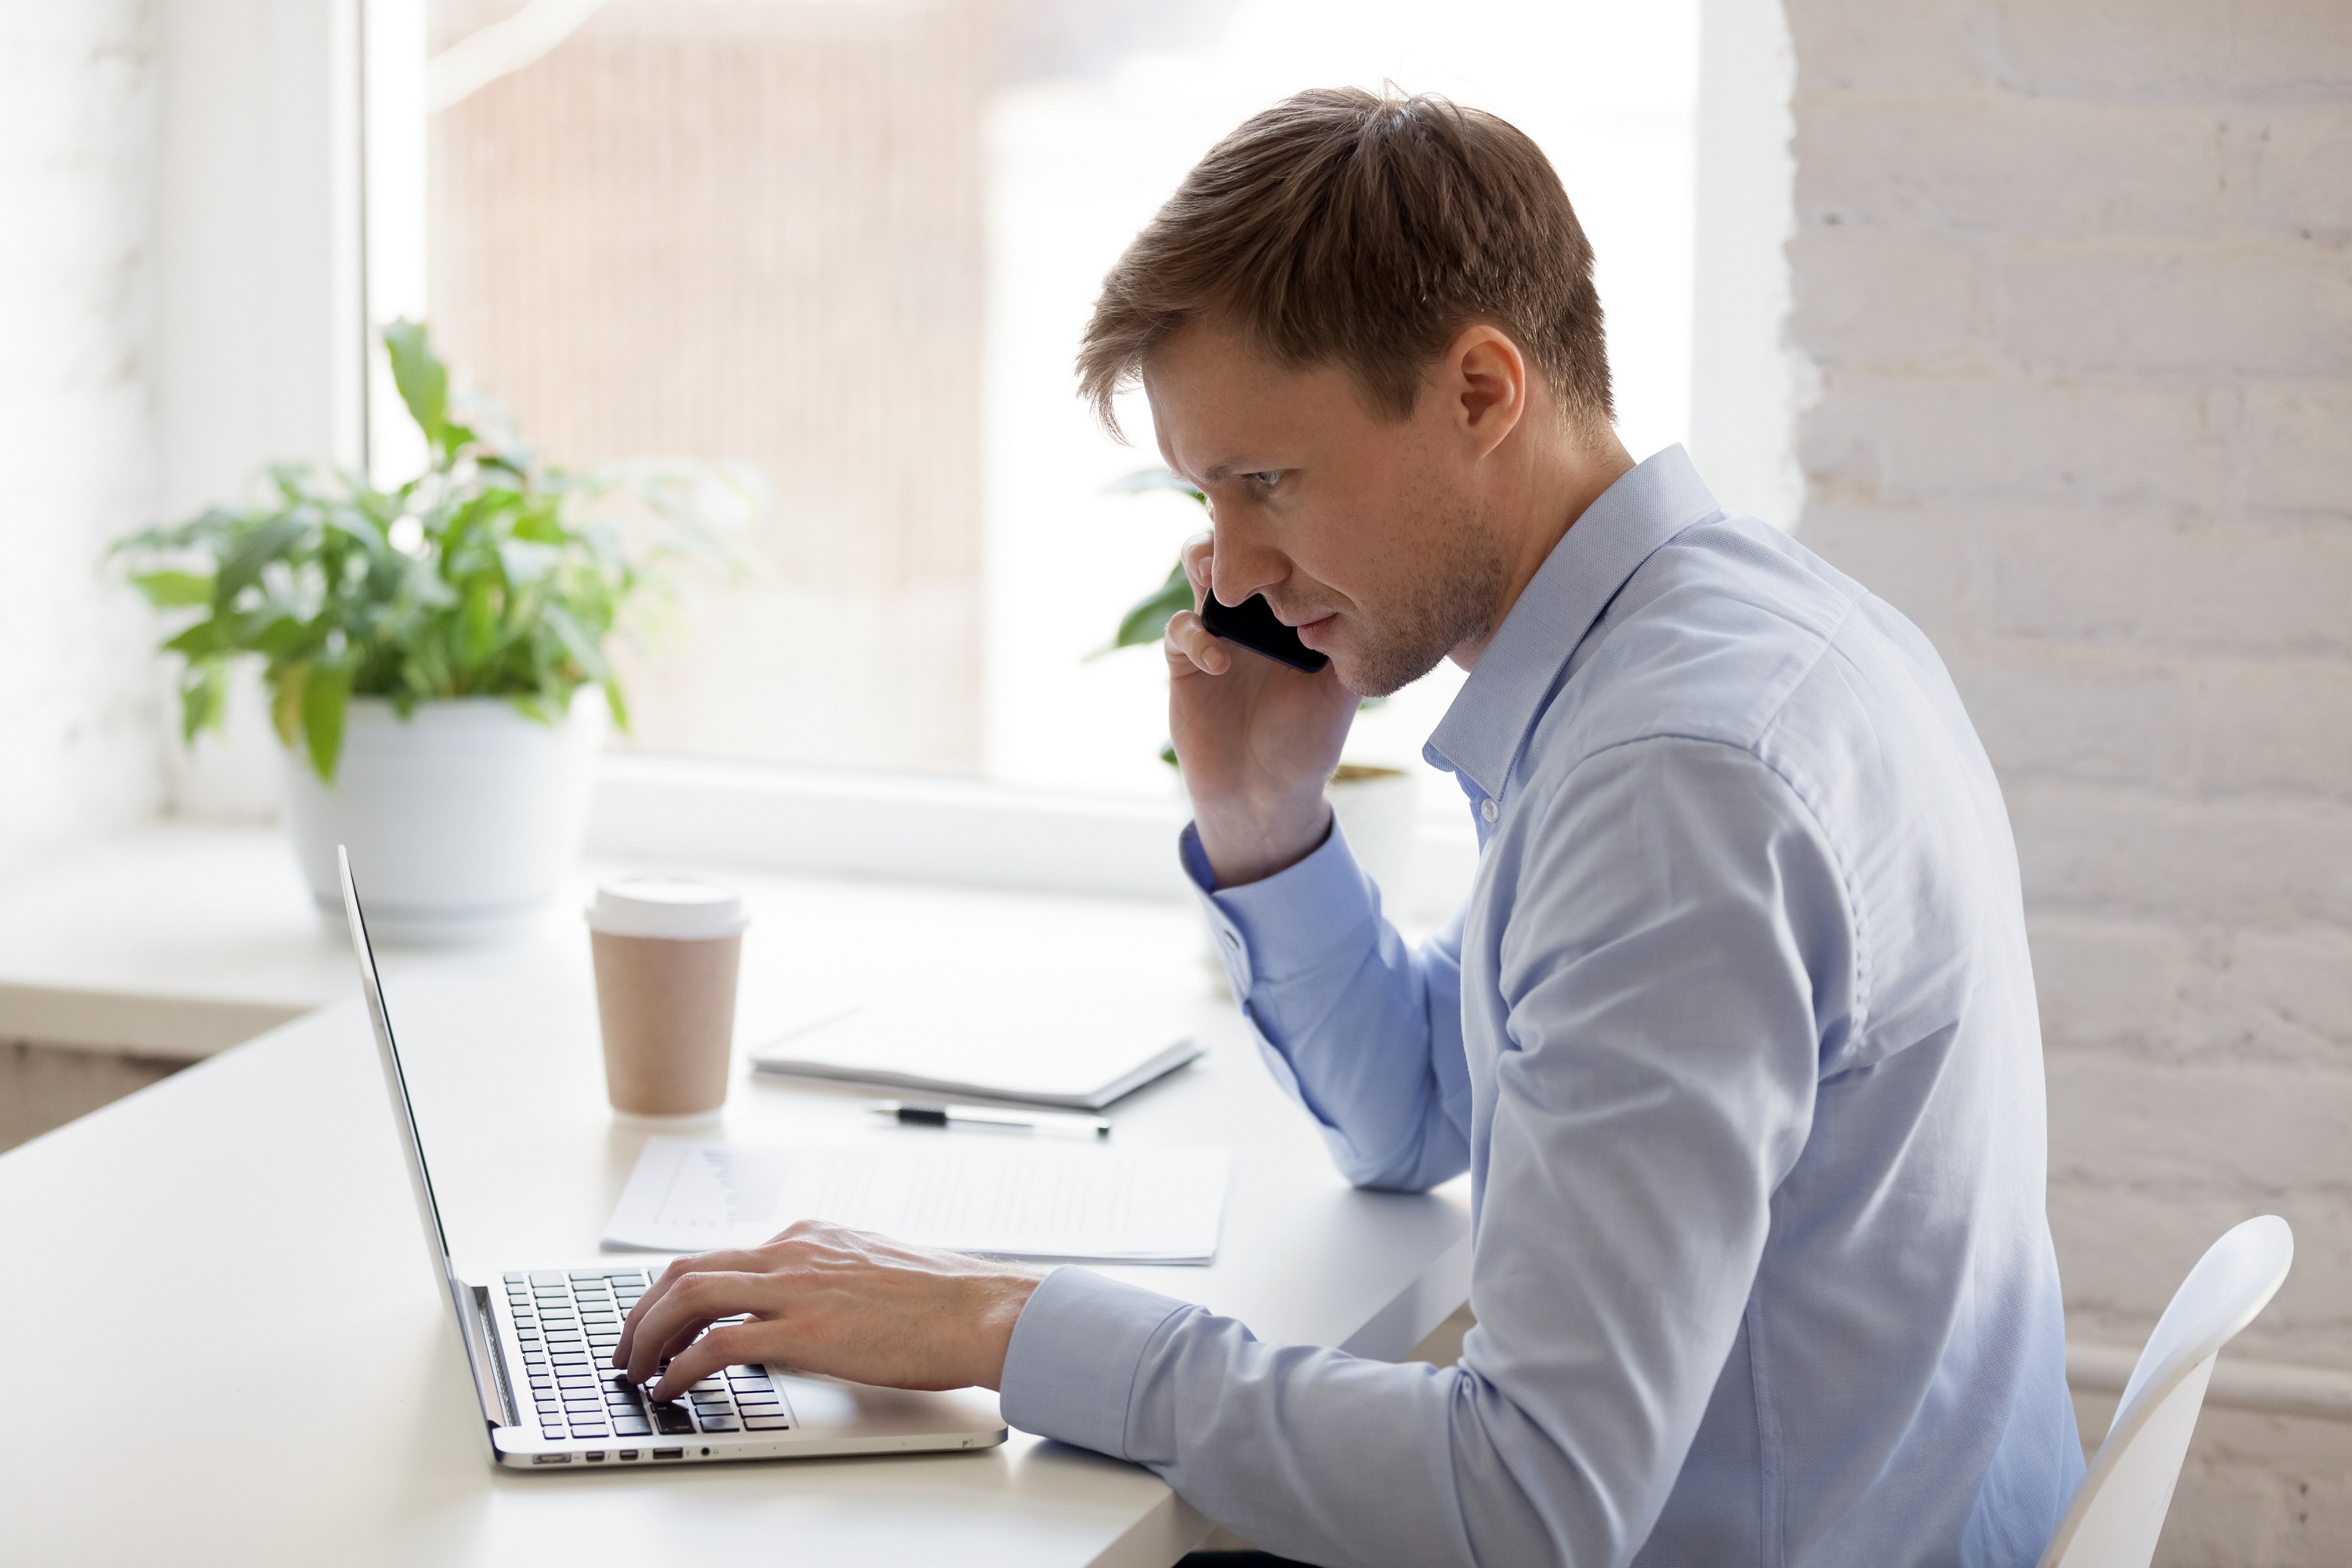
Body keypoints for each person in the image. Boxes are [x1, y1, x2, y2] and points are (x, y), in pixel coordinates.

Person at [612, 88, 2085, 1567]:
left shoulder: (1674, 778)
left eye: (1268, 482)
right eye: (1204, 493)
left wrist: (1005, 1323)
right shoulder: (1717, 638)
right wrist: (1266, 822)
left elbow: (1527, 1503)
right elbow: (1422, 1113)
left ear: (1480, 393)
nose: (1231, 568)